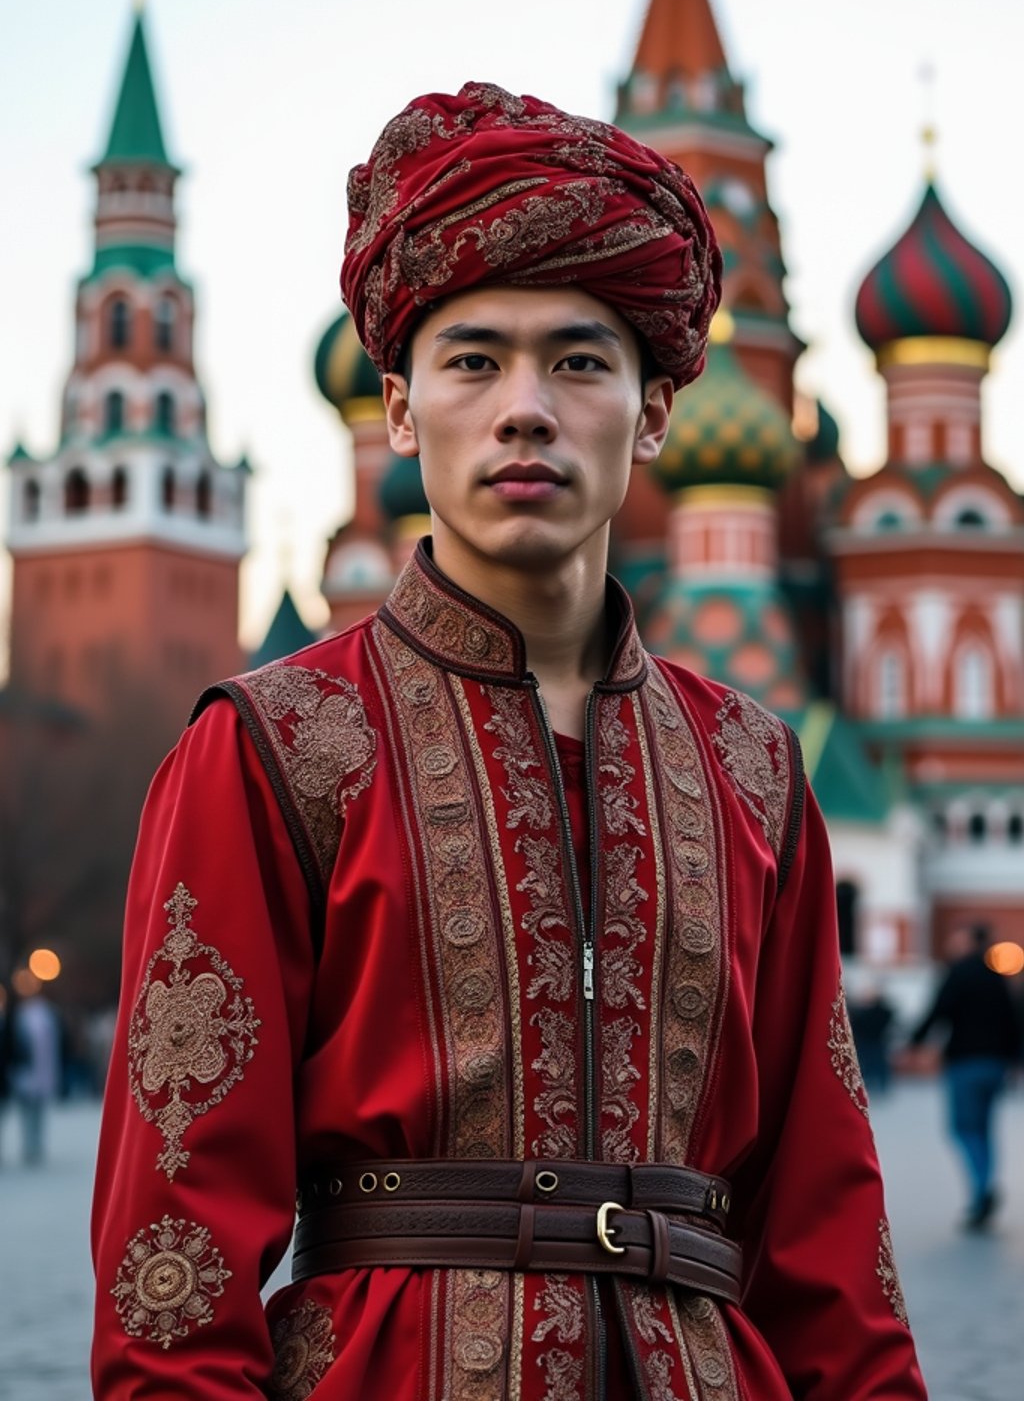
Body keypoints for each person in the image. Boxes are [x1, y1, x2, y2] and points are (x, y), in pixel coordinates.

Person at [91, 84, 926, 1399]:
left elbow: (830, 1236)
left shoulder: (757, 771)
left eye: (581, 361)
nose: (524, 407)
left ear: (653, 417)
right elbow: (173, 1262)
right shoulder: (275, 746)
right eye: (473, 360)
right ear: (403, 411)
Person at [908, 923, 1021, 1229]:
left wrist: (915, 1042)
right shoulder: (998, 977)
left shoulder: (958, 972)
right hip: (995, 1064)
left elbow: (938, 1009)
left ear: (968, 940)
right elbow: (1014, 1019)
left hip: (966, 1062)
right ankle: (985, 1184)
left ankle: (981, 1189)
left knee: (963, 1128)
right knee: (984, 1127)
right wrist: (1013, 1060)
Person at [8, 973, 63, 1165]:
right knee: (27, 1112)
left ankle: (36, 1145)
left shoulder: (46, 1014)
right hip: (25, 1072)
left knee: (38, 1111)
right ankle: (29, 1145)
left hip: (41, 1071)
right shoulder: (20, 1015)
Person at [848, 984, 896, 1094]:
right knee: (875, 1065)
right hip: (873, 1042)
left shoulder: (867, 1012)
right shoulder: (882, 1012)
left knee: (870, 1065)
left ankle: (871, 1086)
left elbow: (858, 1025)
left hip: (871, 1042)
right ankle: (877, 1086)